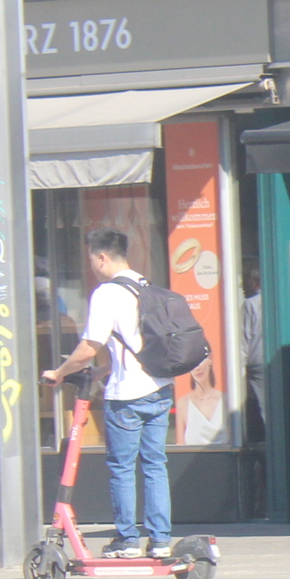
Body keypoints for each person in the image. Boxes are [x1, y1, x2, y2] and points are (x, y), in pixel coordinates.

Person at [39, 228, 175, 560]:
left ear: (102, 257)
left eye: (91, 259)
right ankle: (160, 541)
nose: (91, 266)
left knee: (122, 467)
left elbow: (88, 347)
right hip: (160, 390)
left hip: (127, 397)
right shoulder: (145, 285)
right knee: (156, 465)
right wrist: (102, 372)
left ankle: (127, 540)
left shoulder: (107, 293)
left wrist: (58, 373)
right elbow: (138, 348)